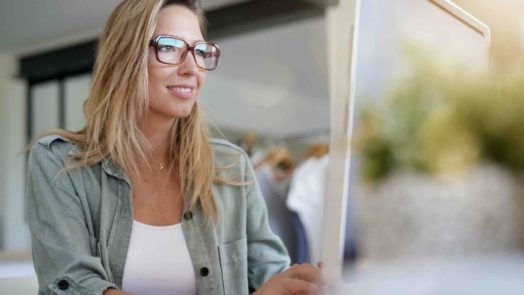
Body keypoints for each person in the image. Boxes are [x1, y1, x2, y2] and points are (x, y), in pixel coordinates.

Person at [25, 0, 324, 294]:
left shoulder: (232, 167)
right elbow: (74, 284)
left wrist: (301, 285)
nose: (192, 67)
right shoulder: (58, 163)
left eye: (200, 51)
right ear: (125, 56)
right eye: (169, 47)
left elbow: (270, 277)